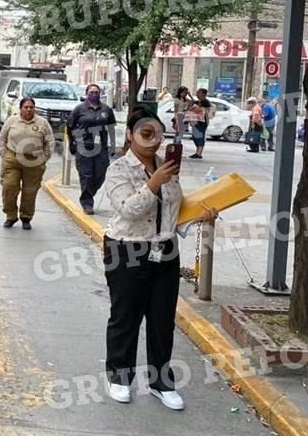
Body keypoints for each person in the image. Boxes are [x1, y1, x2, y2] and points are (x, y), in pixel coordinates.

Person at [102, 108, 217, 410]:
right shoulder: (118, 169)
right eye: (146, 134)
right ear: (130, 135)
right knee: (125, 317)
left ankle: (160, 382)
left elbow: (171, 214)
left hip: (164, 250)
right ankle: (119, 377)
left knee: (162, 319)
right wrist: (154, 182)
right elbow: (129, 209)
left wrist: (199, 217)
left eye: (158, 134)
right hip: (127, 249)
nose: (153, 141)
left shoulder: (167, 168)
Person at [0, 97, 55, 230]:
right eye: (26, 107)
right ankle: (10, 216)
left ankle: (26, 217)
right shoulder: (12, 121)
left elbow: (50, 142)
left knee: (30, 191)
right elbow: (2, 138)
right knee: (9, 187)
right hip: (12, 158)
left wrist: (44, 158)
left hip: (34, 161)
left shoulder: (42, 123)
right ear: (21, 108)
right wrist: (4, 153)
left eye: (31, 107)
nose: (29, 110)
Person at [67, 83, 116, 215]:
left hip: (101, 147)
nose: (94, 94)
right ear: (87, 94)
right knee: (86, 175)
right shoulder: (79, 109)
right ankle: (87, 203)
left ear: (100, 94)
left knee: (100, 174)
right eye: (91, 92)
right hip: (84, 146)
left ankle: (88, 194)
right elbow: (70, 126)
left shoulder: (107, 110)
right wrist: (72, 144)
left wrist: (113, 145)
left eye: (96, 92)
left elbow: (111, 128)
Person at [187, 88, 215, 159]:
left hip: (202, 122)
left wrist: (195, 109)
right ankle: (197, 152)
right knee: (195, 136)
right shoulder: (199, 101)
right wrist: (190, 95)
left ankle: (199, 153)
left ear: (203, 94)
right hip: (196, 121)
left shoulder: (206, 102)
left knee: (199, 136)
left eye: (199, 92)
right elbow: (193, 103)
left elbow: (205, 111)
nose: (197, 94)